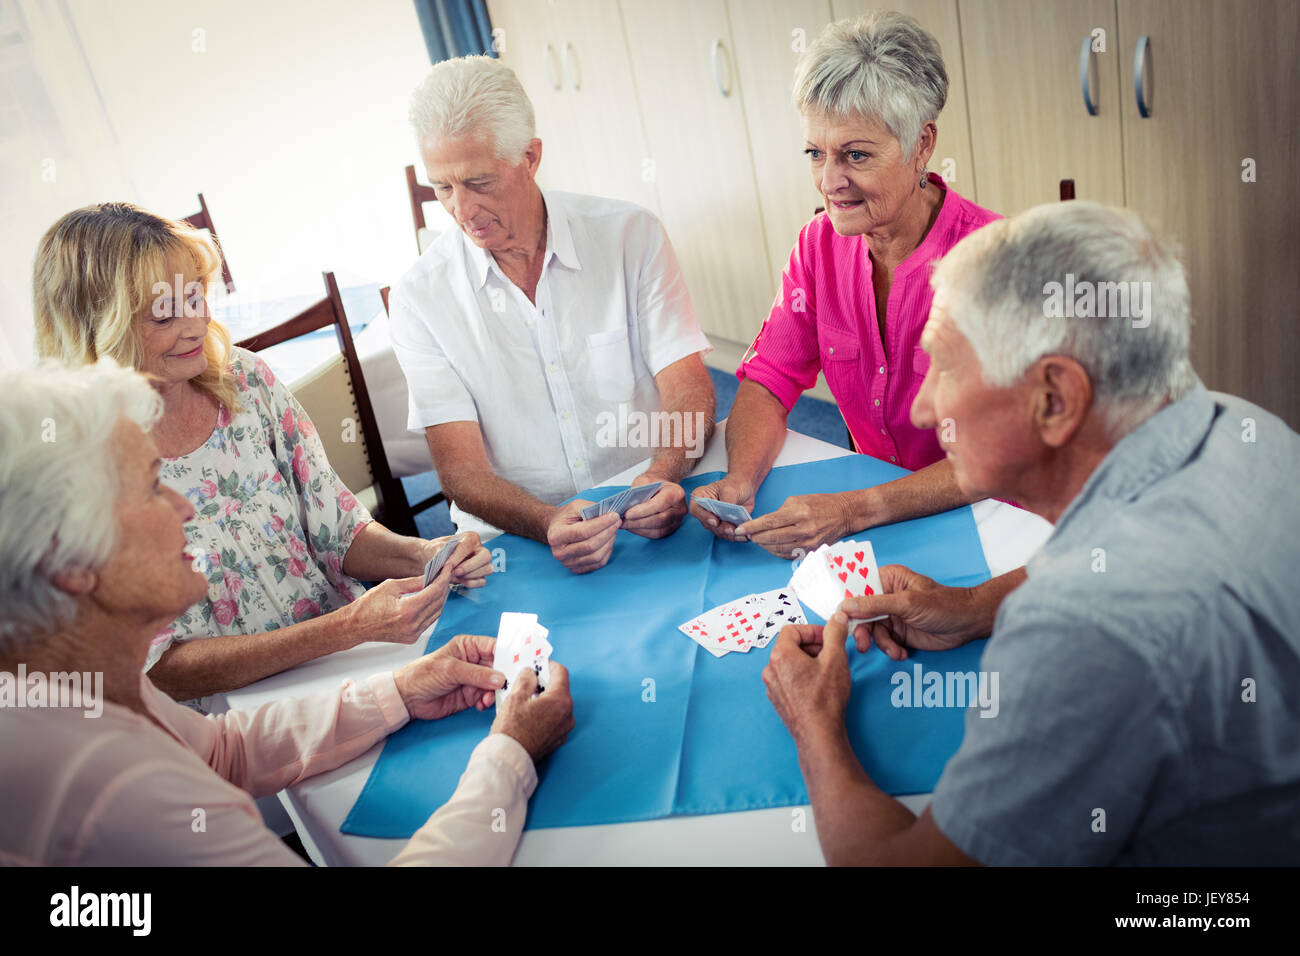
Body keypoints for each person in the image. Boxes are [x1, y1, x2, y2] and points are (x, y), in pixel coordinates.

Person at [762, 201, 1300, 865]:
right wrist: (975, 606)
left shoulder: (1085, 629)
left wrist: (813, 723)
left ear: (1054, 399)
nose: (924, 406)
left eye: (945, 365)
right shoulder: (1245, 425)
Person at [0, 359, 574, 865]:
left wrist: (402, 689)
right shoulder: (114, 785)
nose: (182, 503)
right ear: (67, 557)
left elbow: (221, 749)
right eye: (152, 488)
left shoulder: (74, 678)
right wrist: (509, 755)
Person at [32, 203, 494, 704]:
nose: (193, 326)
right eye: (164, 314)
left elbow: (337, 531)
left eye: (194, 296)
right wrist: (344, 628)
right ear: (94, 326)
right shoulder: (74, 474)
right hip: (231, 725)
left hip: (352, 669)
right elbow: (159, 670)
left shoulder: (247, 382)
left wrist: (424, 554)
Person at [389, 55, 716, 575]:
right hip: (520, 539)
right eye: (443, 188)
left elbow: (688, 389)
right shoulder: (417, 298)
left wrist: (664, 473)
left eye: (479, 182)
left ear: (530, 156)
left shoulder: (631, 235)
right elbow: (461, 472)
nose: (461, 210)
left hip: (652, 506)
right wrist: (545, 521)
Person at [690, 12, 1000, 559]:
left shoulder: (995, 264)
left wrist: (852, 509)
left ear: (922, 144)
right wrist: (740, 481)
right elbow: (767, 381)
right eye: (816, 153)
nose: (830, 181)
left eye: (855, 155)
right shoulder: (817, 246)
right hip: (874, 512)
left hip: (986, 520)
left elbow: (994, 457)